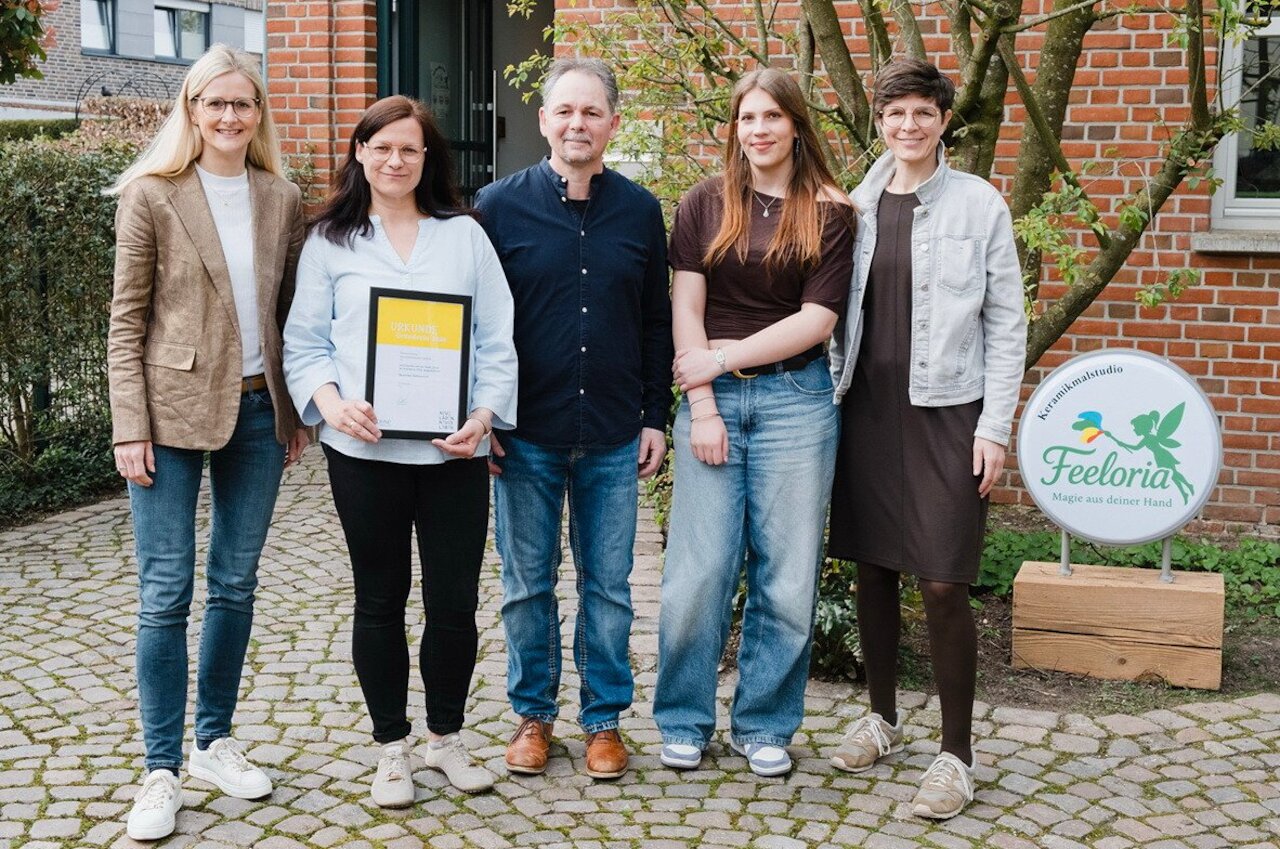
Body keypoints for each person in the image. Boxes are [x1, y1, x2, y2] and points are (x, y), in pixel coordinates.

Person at [283, 96, 517, 807]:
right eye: (381, 147)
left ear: (427, 159)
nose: (394, 160)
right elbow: (305, 344)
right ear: (359, 152)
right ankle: (392, 747)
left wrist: (481, 416)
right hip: (364, 456)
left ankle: (445, 737)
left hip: (454, 457)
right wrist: (332, 406)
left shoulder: (464, 236)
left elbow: (495, 340)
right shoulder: (330, 240)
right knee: (379, 600)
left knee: (454, 604)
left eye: (409, 150)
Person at [106, 44, 308, 841]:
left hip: (258, 416)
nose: (229, 117)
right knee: (166, 591)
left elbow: (292, 314)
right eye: (215, 103)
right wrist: (129, 424)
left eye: (243, 104)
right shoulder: (151, 196)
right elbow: (126, 320)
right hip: (168, 415)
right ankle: (160, 768)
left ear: (258, 114)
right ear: (191, 110)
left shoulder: (282, 196)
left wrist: (295, 413)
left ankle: (212, 739)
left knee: (235, 583)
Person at [826, 58, 1027, 820]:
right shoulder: (857, 203)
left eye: (921, 112)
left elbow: (1008, 324)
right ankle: (881, 715)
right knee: (872, 566)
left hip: (949, 411)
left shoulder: (981, 205)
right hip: (868, 407)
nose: (907, 126)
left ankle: (956, 754)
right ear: (879, 121)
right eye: (894, 113)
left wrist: (995, 428)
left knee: (943, 578)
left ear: (944, 120)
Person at [474, 57, 672, 780]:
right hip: (524, 434)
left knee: (609, 586)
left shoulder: (641, 211)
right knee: (527, 583)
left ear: (613, 123)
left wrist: (658, 415)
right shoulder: (496, 207)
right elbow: (479, 324)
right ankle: (533, 716)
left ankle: (604, 721)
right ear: (543, 120)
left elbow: (657, 321)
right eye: (565, 111)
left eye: (591, 112)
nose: (577, 124)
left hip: (616, 433)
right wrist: (484, 414)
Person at [653, 68, 855, 777]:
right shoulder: (705, 203)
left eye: (772, 116)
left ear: (797, 125)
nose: (759, 130)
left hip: (796, 403)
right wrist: (703, 400)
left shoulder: (832, 211)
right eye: (747, 118)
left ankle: (765, 723)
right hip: (712, 403)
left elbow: (816, 320)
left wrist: (721, 358)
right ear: (734, 128)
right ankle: (682, 718)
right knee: (698, 572)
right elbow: (685, 306)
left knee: (788, 576)